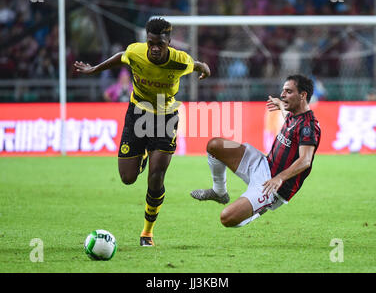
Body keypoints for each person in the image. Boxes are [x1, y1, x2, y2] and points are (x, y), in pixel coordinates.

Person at [74, 18, 210, 246]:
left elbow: (196, 64)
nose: (155, 48)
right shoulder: (136, 52)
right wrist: (95, 69)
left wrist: (204, 67)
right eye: (151, 43)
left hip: (165, 117)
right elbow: (120, 57)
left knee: (156, 176)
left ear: (169, 42)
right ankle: (143, 155)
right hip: (137, 113)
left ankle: (147, 232)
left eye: (160, 44)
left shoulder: (180, 60)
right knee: (127, 178)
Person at [191, 75, 321, 227]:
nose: (282, 94)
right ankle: (219, 192)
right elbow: (287, 115)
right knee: (214, 146)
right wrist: (280, 104)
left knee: (227, 218)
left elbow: (305, 160)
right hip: (262, 163)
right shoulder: (294, 114)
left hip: (273, 187)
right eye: (283, 91)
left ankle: (260, 208)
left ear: (303, 95)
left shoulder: (309, 127)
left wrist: (279, 178)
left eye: (288, 91)